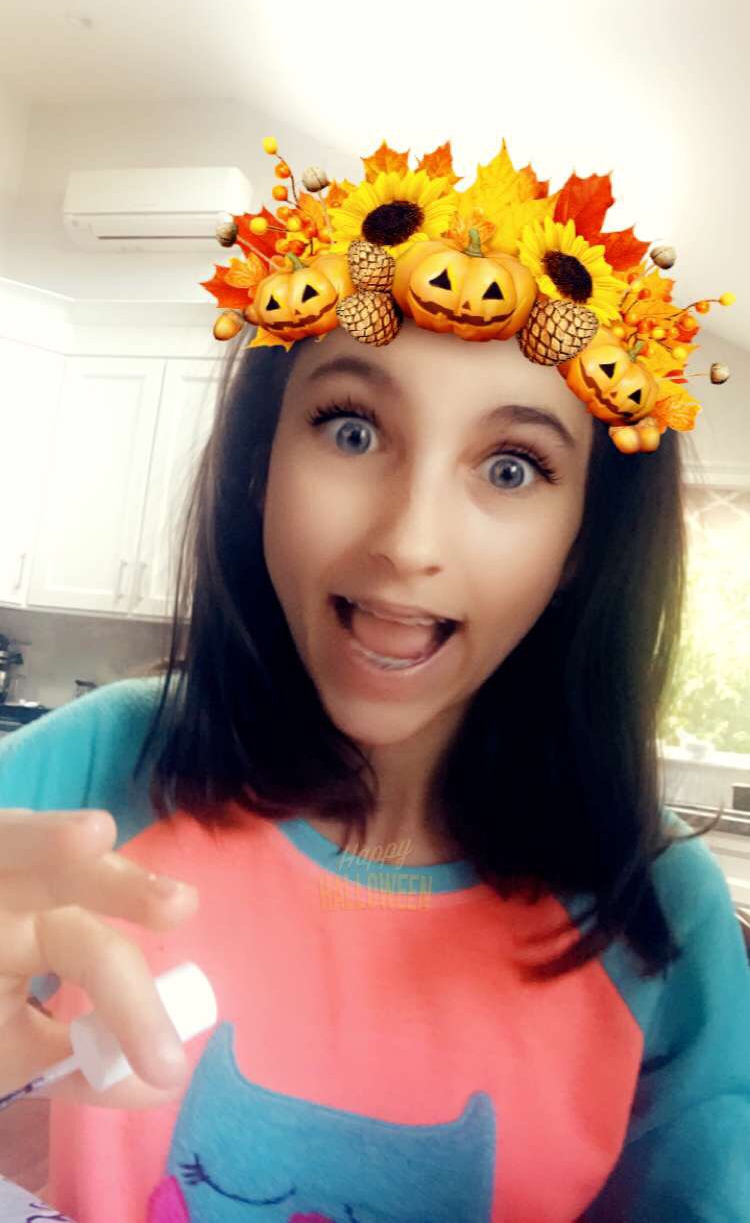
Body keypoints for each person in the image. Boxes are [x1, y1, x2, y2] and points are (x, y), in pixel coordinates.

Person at [0, 135, 748, 1222]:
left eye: (512, 467)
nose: (407, 541)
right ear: (260, 467)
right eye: (352, 429)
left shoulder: (660, 914)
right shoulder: (102, 765)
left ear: (582, 544)